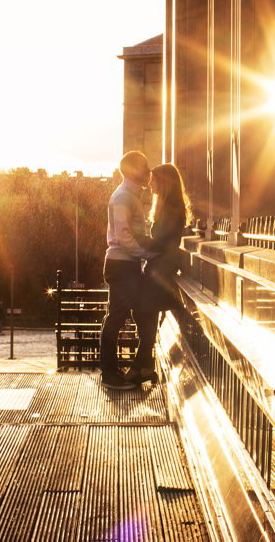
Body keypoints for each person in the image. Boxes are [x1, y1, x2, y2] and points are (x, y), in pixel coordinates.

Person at [98, 151, 154, 390]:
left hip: (124, 264)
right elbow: (123, 236)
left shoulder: (129, 195)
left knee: (130, 314)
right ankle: (110, 374)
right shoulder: (123, 197)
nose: (149, 171)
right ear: (133, 170)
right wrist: (147, 254)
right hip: (122, 264)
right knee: (117, 318)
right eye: (144, 167)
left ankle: (130, 368)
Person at [131, 163, 192, 382]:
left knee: (145, 312)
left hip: (161, 268)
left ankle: (142, 366)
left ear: (165, 182)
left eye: (154, 179)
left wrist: (140, 241)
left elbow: (163, 241)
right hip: (158, 266)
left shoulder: (171, 209)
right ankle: (143, 365)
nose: (150, 184)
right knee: (145, 313)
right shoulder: (165, 206)